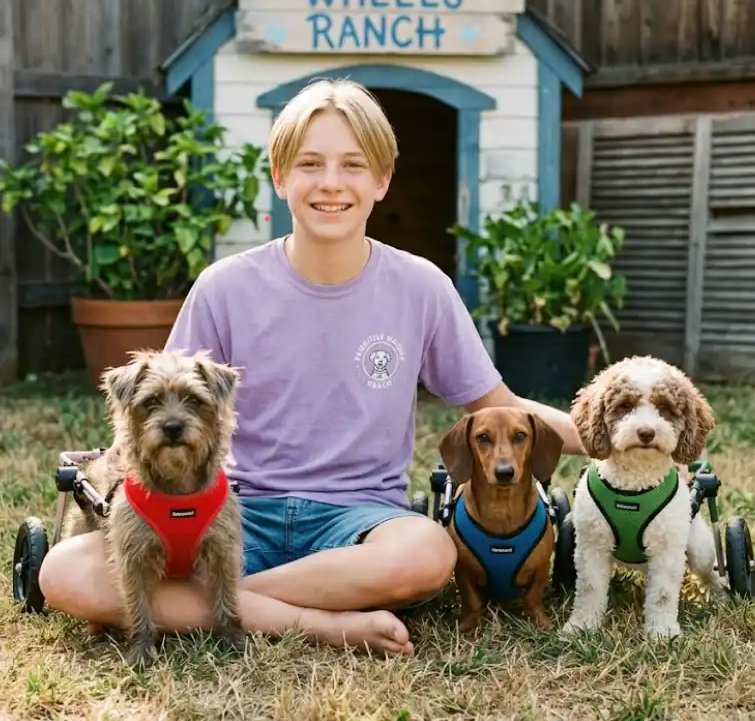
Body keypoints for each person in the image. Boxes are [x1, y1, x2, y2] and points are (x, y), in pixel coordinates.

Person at [39, 78, 585, 657]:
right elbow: (161, 402)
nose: (331, 183)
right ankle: (313, 621)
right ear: (280, 176)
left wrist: (605, 441)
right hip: (230, 515)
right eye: (310, 163)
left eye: (353, 164)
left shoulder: (422, 288)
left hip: (358, 522)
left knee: (429, 553)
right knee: (63, 573)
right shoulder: (225, 287)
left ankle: (225, 604)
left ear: (382, 179)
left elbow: (498, 406)